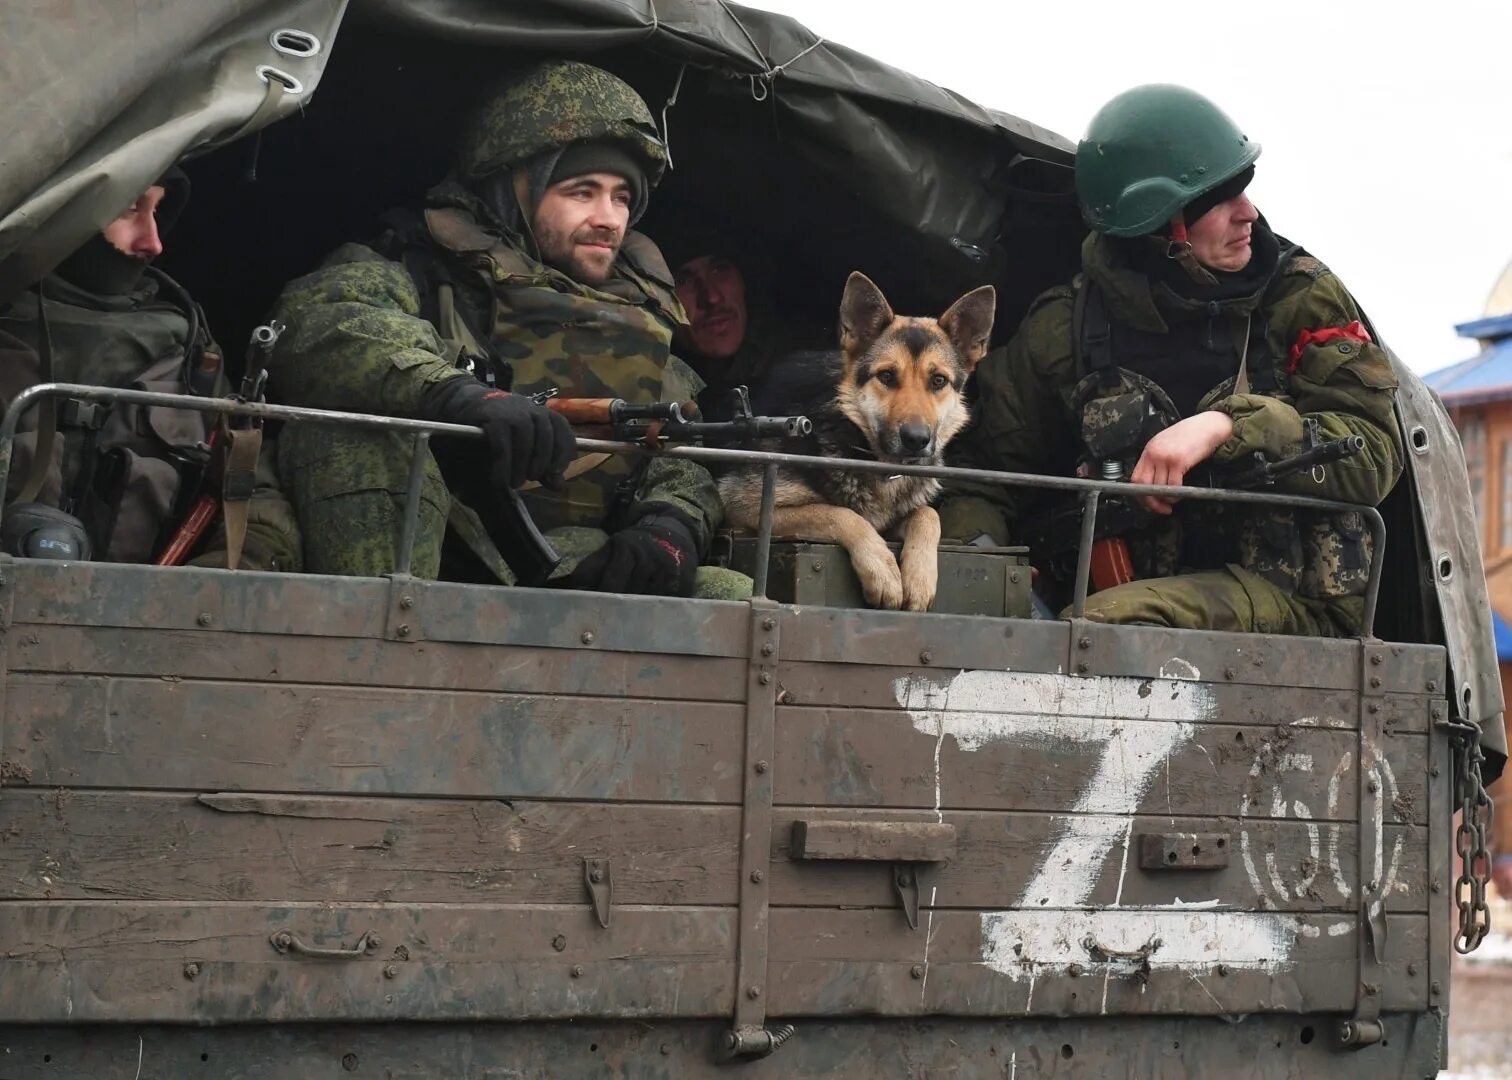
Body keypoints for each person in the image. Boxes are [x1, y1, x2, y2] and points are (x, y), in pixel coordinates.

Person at [267, 60, 749, 600]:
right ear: (512, 190)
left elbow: (681, 455)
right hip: (438, 547)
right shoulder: (419, 272)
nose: (609, 218)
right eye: (582, 191)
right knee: (358, 436)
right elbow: (323, 322)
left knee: (731, 594)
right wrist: (459, 396)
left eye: (621, 197)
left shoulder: (639, 322)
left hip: (561, 559)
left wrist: (668, 530)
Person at [938, 85, 1403, 636]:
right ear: (1159, 226)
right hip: (1121, 592)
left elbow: (1375, 453)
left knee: (1110, 624)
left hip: (1297, 606)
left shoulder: (1300, 298)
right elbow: (975, 470)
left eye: (1245, 190)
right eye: (1218, 200)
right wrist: (989, 573)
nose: (1248, 214)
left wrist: (1229, 426)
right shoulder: (1067, 329)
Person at [0, 169, 301, 570]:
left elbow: (257, 502)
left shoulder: (189, 352)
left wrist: (195, 592)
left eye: (156, 211)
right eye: (129, 209)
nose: (154, 242)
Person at [660, 220, 833, 421]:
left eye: (720, 269)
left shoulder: (812, 364)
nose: (711, 297)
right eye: (683, 281)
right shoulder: (652, 381)